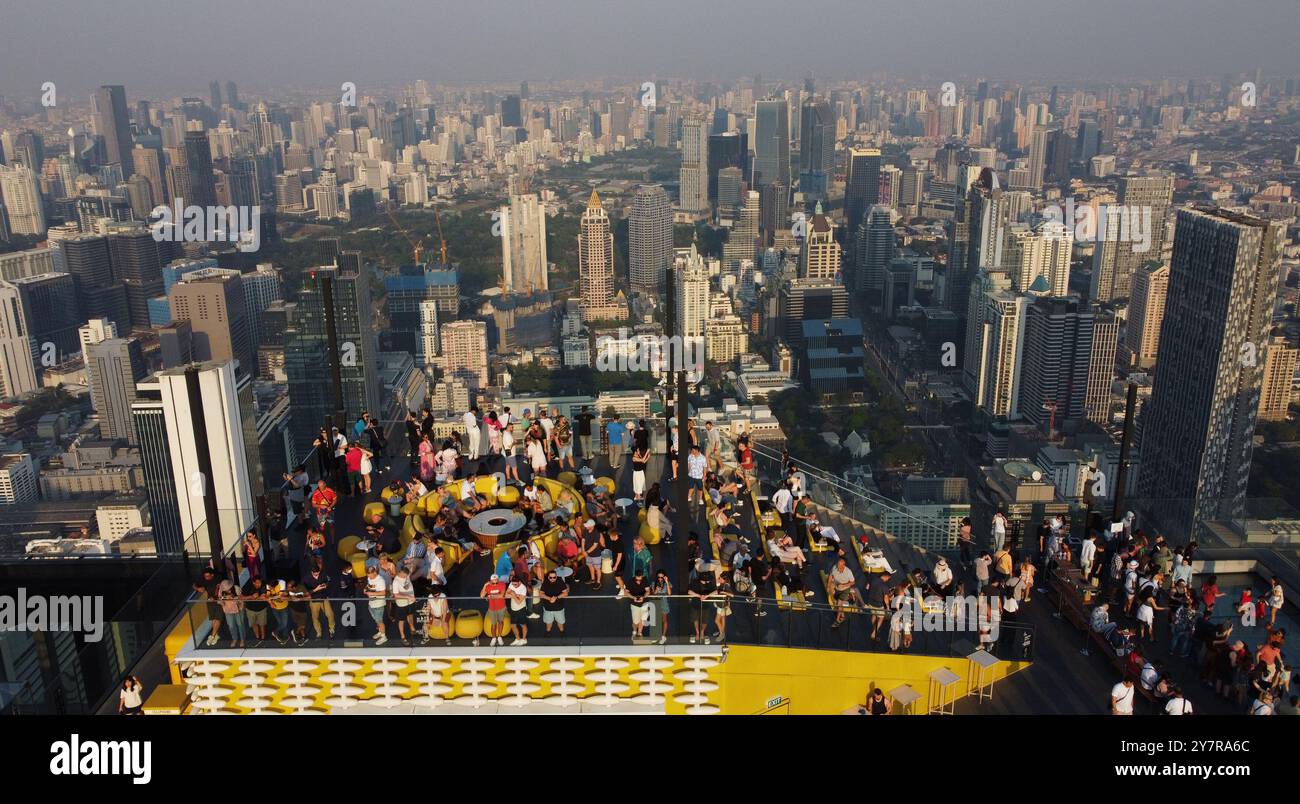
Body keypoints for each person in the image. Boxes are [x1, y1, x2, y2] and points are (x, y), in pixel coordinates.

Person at [829, 557, 863, 627]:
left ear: (843, 565)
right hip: (837, 587)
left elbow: (853, 582)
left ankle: (837, 621)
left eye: (839, 565)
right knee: (838, 604)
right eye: (837, 565)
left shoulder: (848, 572)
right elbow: (831, 576)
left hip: (845, 589)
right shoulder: (834, 567)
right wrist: (828, 586)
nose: (838, 567)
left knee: (839, 603)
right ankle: (843, 615)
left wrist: (844, 585)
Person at [218, 580, 247, 649]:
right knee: (231, 626)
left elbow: (242, 597)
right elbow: (220, 600)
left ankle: (242, 639)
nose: (226, 590)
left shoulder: (236, 588)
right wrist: (221, 601)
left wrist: (233, 598)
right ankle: (235, 639)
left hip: (238, 609)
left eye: (228, 588)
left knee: (240, 624)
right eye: (225, 589)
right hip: (228, 610)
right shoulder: (221, 590)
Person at [539, 569, 568, 636]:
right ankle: (548, 631)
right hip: (548, 608)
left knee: (560, 622)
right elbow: (541, 594)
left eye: (554, 577)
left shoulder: (560, 581)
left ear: (556, 577)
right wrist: (549, 598)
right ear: (548, 577)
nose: (552, 579)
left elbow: (565, 593)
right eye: (550, 577)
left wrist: (556, 598)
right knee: (548, 622)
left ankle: (562, 631)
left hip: (559, 608)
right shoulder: (545, 582)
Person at [241, 575, 269, 646]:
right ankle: (257, 638)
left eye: (260, 583)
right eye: (257, 583)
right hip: (250, 609)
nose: (259, 584)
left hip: (262, 609)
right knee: (253, 624)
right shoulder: (247, 586)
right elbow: (241, 597)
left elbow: (265, 595)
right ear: (253, 583)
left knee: (262, 624)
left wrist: (263, 596)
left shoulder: (264, 585)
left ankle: (263, 639)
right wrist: (251, 596)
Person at [365, 565, 389, 645]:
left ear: (375, 572)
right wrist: (366, 589)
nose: (369, 577)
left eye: (370, 575)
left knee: (379, 621)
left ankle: (383, 637)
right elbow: (369, 586)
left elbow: (383, 593)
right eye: (368, 574)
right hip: (371, 603)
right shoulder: (369, 578)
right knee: (376, 620)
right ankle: (380, 632)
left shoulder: (380, 580)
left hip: (379, 604)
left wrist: (371, 593)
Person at [627, 569, 652, 641]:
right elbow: (626, 592)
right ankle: (634, 632)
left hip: (644, 604)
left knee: (643, 620)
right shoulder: (631, 581)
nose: (639, 580)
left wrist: (643, 597)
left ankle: (639, 633)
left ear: (642, 576)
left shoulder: (645, 580)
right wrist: (633, 597)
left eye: (640, 578)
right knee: (635, 621)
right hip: (634, 605)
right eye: (637, 578)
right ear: (635, 576)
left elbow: (648, 591)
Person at [507, 575, 530, 645]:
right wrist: (516, 595)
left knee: (523, 625)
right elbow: (506, 595)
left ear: (519, 582)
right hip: (513, 609)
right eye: (513, 584)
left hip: (521, 609)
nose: (514, 586)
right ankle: (517, 639)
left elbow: (519, 602)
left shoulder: (523, 588)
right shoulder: (512, 584)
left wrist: (513, 594)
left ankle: (524, 639)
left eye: (515, 584)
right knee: (513, 625)